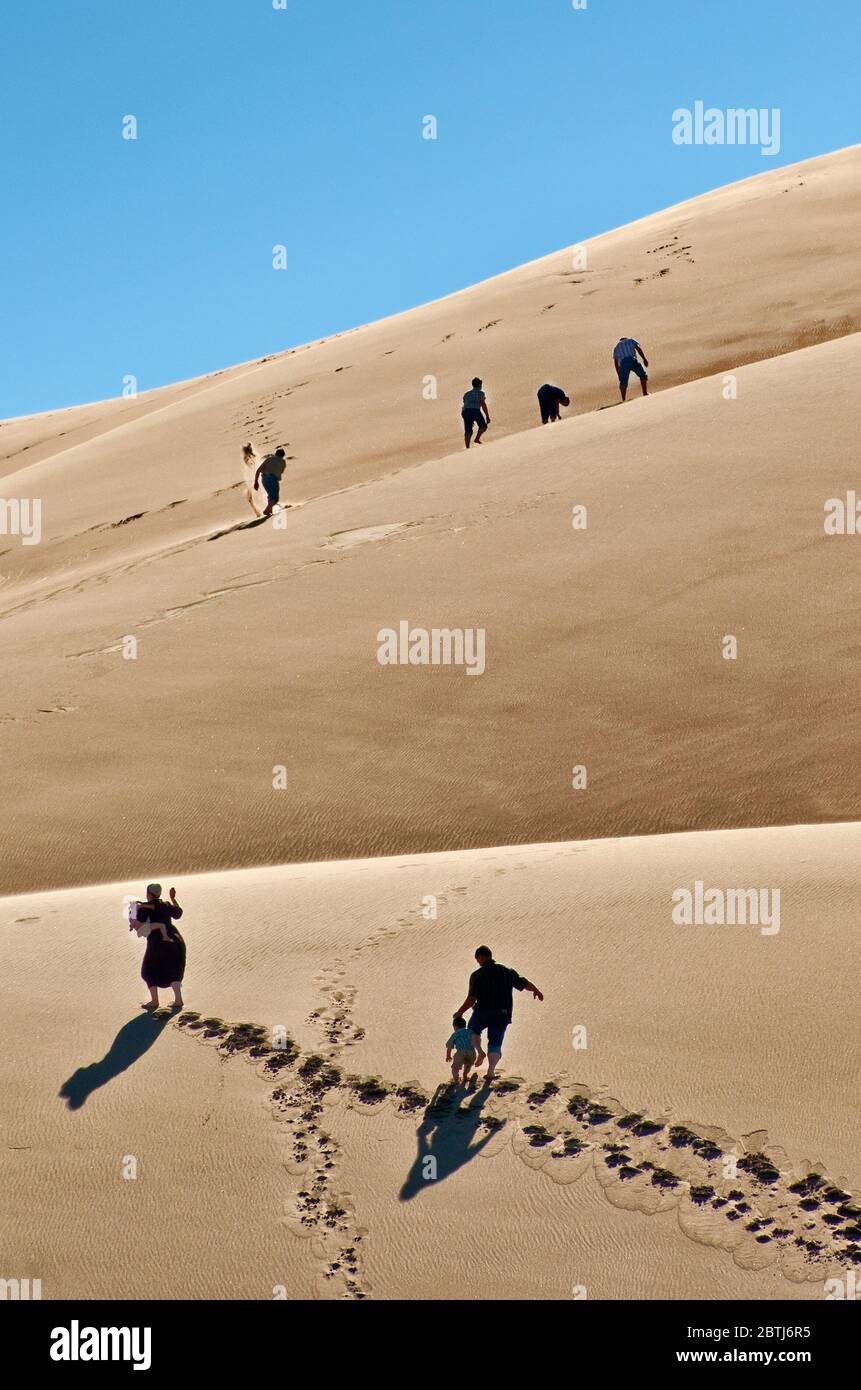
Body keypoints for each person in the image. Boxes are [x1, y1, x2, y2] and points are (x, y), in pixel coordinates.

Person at [455, 946, 543, 1082]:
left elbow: (471, 999)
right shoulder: (506, 971)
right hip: (502, 1013)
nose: (477, 962)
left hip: (482, 1012)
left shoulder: (477, 975)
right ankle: (490, 1072)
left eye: (477, 959)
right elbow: (523, 983)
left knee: (472, 1031)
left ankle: (479, 1052)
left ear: (481, 957)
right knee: (495, 1042)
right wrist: (536, 990)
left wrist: (460, 1012)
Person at [133, 883, 186, 1011]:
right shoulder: (166, 905)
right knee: (174, 968)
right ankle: (178, 1000)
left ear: (149, 894)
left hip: (158, 940)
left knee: (148, 969)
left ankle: (154, 1001)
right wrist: (173, 898)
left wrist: (134, 912)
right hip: (175, 938)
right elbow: (178, 913)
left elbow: (138, 924)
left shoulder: (146, 908)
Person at [253, 447, 288, 515]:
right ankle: (267, 510)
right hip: (272, 479)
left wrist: (256, 482)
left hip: (264, 479)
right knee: (275, 498)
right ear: (283, 455)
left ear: (275, 454)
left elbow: (258, 470)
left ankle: (270, 510)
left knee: (270, 496)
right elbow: (281, 471)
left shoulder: (269, 459)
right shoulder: (283, 462)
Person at [613, 337, 649, 401]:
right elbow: (638, 348)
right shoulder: (631, 340)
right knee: (643, 375)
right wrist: (644, 359)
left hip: (623, 363)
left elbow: (616, 362)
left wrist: (619, 374)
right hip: (632, 360)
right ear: (626, 339)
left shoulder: (617, 347)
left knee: (623, 382)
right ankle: (645, 393)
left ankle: (623, 399)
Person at [445, 1014, 477, 1087]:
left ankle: (456, 1081)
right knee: (468, 1065)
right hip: (471, 1052)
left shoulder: (455, 1034)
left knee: (455, 1068)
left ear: (455, 1026)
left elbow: (449, 1046)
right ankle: (465, 1075)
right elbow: (476, 1040)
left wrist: (448, 1056)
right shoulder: (470, 1031)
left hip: (460, 1052)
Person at [462, 378, 490, 448]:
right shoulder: (480, 393)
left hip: (465, 412)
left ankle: (467, 447)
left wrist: (469, 419)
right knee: (483, 426)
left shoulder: (467, 394)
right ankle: (477, 439)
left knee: (468, 431)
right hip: (475, 410)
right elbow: (483, 405)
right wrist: (487, 416)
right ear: (480, 385)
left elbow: (465, 404)